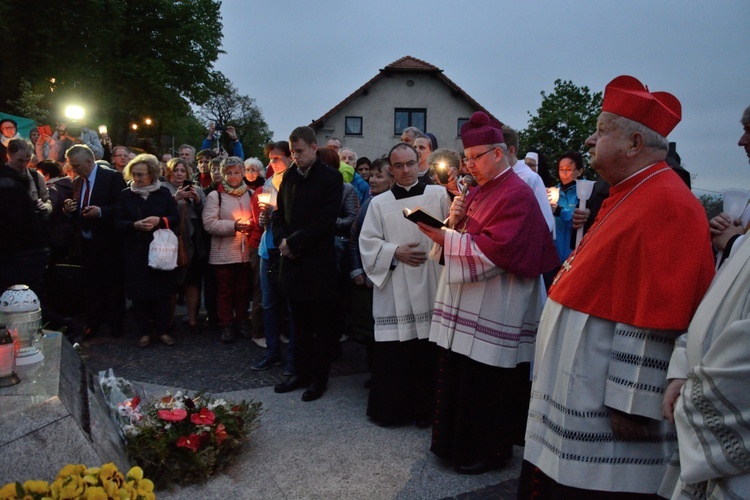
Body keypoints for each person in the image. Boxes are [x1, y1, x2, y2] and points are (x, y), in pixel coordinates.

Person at [518, 75, 716, 498]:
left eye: (602, 130)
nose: (589, 140)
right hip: (582, 385)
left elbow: (661, 309)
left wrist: (635, 403)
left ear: (633, 144)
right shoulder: (629, 192)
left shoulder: (668, 203)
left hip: (606, 404)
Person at [417, 112, 558, 474]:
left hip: (497, 305)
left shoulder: (517, 193)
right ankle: (453, 445)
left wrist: (445, 236)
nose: (469, 165)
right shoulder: (479, 190)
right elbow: (470, 237)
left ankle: (488, 452)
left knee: (486, 385)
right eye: (467, 158)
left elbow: (500, 250)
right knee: (462, 377)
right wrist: (454, 220)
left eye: (476, 157)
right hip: (471, 303)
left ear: (499, 153)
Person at [659, 105, 750, 499]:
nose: (741, 141)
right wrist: (682, 365)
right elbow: (715, 303)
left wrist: (696, 396)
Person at [359, 143, 449, 426]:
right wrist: (395, 252)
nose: (406, 170)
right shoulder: (379, 203)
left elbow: (455, 230)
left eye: (410, 163)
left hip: (432, 280)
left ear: (419, 162)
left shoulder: (439, 194)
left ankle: (428, 412)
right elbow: (367, 243)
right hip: (396, 282)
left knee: (428, 350)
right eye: (399, 166)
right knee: (397, 351)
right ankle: (393, 411)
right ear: (391, 168)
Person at [272, 126, 343, 402]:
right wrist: (282, 241)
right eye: (292, 152)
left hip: (317, 264)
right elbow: (279, 214)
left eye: (299, 151)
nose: (295, 157)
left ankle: (318, 379)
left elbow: (325, 221)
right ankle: (299, 373)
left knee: (321, 327)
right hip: (292, 262)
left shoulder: (330, 178)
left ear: (314, 147)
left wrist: (295, 243)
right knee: (298, 325)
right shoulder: (288, 177)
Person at [116, 154, 179, 347]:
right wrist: (134, 225)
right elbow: (118, 222)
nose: (137, 179)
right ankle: (143, 332)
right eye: (134, 174)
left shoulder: (163, 194)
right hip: (136, 250)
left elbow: (175, 218)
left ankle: (162, 331)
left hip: (160, 249)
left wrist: (160, 221)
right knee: (139, 294)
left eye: (141, 175)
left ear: (151, 174)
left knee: (162, 292)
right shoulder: (126, 195)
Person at [64, 144, 127, 339]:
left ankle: (116, 324)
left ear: (89, 162)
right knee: (91, 285)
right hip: (86, 242)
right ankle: (93, 324)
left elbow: (122, 208)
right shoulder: (77, 182)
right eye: (72, 166)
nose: (74, 170)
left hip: (108, 242)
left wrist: (101, 212)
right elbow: (78, 210)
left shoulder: (112, 178)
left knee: (113, 284)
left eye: (77, 165)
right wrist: (69, 209)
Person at [250, 141, 295, 374]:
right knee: (268, 303)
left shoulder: (295, 182)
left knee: (289, 304)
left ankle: (291, 357)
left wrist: (276, 215)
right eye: (270, 158)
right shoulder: (268, 183)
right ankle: (272, 351)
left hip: (286, 250)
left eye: (276, 158)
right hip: (267, 250)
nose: (272, 163)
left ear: (290, 158)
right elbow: (263, 220)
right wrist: (264, 219)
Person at [349, 159, 394, 379]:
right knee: (370, 330)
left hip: (386, 276)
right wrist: (357, 270)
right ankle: (374, 374)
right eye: (372, 175)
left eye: (379, 176)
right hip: (369, 277)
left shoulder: (390, 203)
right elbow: (355, 238)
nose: (372, 179)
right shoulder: (369, 203)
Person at [202, 156, 253, 344]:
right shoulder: (216, 196)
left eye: (237, 172)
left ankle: (241, 321)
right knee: (225, 290)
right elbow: (209, 223)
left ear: (243, 173)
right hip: (223, 252)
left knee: (242, 290)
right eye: (229, 173)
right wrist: (234, 226)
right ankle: (226, 324)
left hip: (245, 250)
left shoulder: (251, 194)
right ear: (223, 174)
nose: (233, 176)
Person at [163, 158, 206, 334]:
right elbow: (159, 210)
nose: (179, 174)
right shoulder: (162, 189)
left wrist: (196, 200)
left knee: (192, 281)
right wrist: (176, 198)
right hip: (170, 239)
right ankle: (169, 319)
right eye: (176, 170)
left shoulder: (198, 189)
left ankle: (193, 320)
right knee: (171, 282)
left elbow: (205, 214)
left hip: (192, 238)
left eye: (182, 171)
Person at [502, 126, 554, 232]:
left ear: (511, 151)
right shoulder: (496, 176)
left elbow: (546, 221)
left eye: (498, 151)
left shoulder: (530, 178)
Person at [549, 151, 585, 262]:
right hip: (553, 255)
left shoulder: (585, 193)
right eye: (561, 169)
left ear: (579, 171)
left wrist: (560, 211)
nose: (564, 173)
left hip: (575, 254)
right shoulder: (553, 192)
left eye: (568, 170)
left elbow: (579, 222)